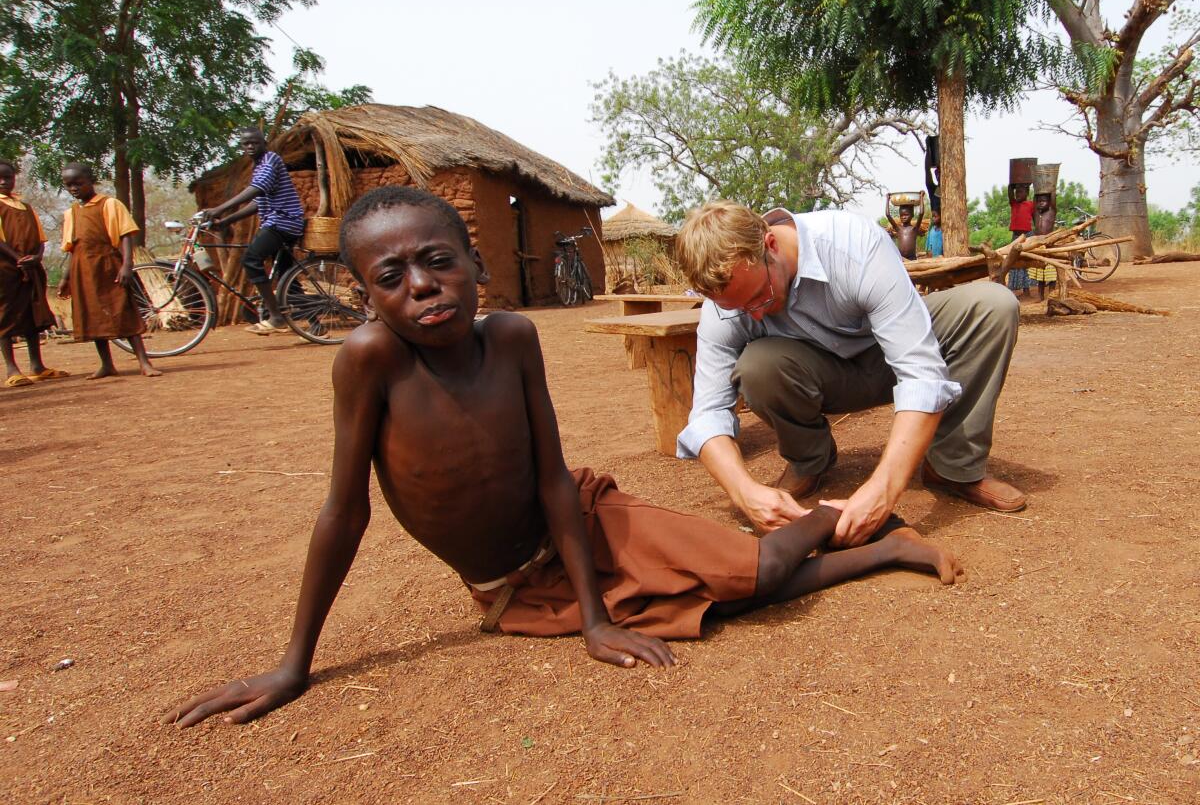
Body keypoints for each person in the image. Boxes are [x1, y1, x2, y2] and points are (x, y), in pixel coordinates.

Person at [162, 187, 964, 728]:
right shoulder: (371, 362)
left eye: (439, 261)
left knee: (749, 575)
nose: (423, 287)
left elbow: (551, 479)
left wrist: (591, 620)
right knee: (710, 605)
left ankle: (839, 520)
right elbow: (345, 510)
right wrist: (292, 666)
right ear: (365, 294)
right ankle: (885, 546)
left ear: (473, 261)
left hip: (580, 522)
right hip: (506, 588)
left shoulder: (512, 339)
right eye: (391, 276)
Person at [674, 201, 1028, 549]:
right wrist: (744, 493)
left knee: (992, 307)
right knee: (757, 365)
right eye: (738, 309)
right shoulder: (726, 310)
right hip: (821, 374)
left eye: (758, 298)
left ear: (771, 246)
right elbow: (707, 413)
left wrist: (882, 492)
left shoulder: (852, 244)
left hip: (887, 354)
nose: (753, 317)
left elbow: (921, 373)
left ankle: (954, 467)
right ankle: (809, 461)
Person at [57, 163, 160, 379]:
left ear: (90, 180)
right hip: (83, 270)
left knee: (123, 310)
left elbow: (125, 235)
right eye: (69, 185)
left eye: (79, 183)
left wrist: (126, 265)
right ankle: (107, 364)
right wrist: (66, 278)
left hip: (108, 265)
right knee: (93, 317)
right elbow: (71, 247)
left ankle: (144, 362)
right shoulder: (71, 213)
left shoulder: (110, 204)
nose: (74, 188)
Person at [200, 127, 306, 334]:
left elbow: (257, 188)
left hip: (283, 221)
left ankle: (276, 317)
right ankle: (316, 325)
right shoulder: (258, 167)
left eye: (254, 143)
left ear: (264, 143)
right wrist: (226, 220)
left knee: (250, 259)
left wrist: (220, 208)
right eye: (246, 144)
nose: (250, 146)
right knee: (286, 275)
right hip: (278, 222)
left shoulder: (270, 160)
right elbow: (257, 202)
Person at [0, 160, 67, 387]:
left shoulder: (26, 207)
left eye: (7, 177)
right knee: (6, 317)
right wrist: (18, 258)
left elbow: (40, 239)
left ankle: (37, 365)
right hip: (6, 270)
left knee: (32, 315)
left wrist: (37, 257)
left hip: (31, 268)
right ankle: (11, 369)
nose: (3, 182)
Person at [1027, 191, 1058, 299]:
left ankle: (1052, 295)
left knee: (1051, 273)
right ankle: (1040, 296)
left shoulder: (1052, 211)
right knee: (1040, 274)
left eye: (1044, 201)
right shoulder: (1036, 213)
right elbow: (1034, 199)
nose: (1041, 203)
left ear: (1049, 203)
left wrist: (1050, 188)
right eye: (1039, 201)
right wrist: (1037, 190)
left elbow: (1053, 198)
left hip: (1049, 244)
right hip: (1038, 245)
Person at [1007, 183, 1034, 296]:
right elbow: (1010, 194)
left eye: (1020, 192)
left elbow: (1036, 219)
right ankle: (1014, 288)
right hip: (1015, 236)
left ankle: (1026, 288)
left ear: (1026, 193)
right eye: (1016, 192)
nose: (1017, 194)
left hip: (1027, 235)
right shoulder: (1013, 203)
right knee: (1014, 260)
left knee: (1026, 260)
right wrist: (1011, 186)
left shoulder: (1030, 204)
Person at [885, 195, 925, 261]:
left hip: (912, 259)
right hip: (901, 259)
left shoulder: (914, 229)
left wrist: (921, 197)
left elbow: (921, 213)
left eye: (906, 215)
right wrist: (887, 199)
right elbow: (888, 215)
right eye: (901, 215)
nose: (903, 217)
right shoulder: (898, 229)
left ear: (912, 215)